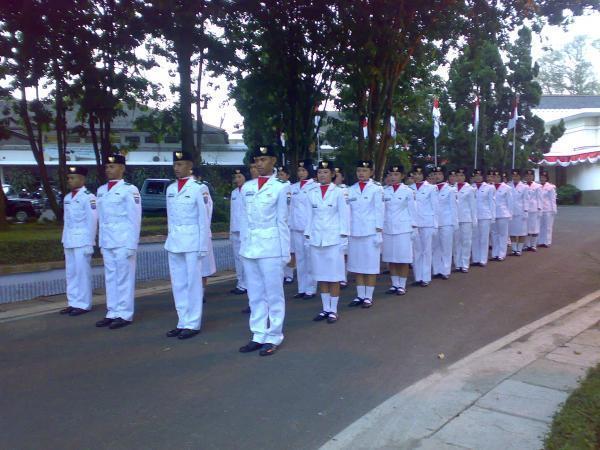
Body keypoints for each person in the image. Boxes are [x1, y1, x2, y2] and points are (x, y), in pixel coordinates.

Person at [238, 145, 291, 356]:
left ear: (273, 161)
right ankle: (258, 334)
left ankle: (274, 335)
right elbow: (243, 220)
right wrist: (243, 246)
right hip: (250, 247)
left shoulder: (281, 186)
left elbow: (283, 221)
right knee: (255, 294)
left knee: (273, 294)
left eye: (263, 159)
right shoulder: (248, 187)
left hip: (271, 247)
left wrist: (285, 253)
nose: (259, 164)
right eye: (257, 160)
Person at [164, 151, 209, 340]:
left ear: (190, 166)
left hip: (192, 242)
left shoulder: (199, 188)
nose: (177, 167)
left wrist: (203, 246)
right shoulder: (171, 189)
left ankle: (193, 323)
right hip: (175, 242)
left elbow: (204, 219)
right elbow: (170, 218)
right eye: (175, 164)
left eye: (181, 164)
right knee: (178, 284)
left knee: (192, 284)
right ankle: (182, 321)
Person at [95, 153, 142, 329]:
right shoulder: (101, 190)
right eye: (107, 167)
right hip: (107, 241)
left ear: (122, 168)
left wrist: (132, 244)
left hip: (123, 240)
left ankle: (124, 313)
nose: (108, 169)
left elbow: (134, 218)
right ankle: (112, 311)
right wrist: (100, 241)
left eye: (112, 166)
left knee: (124, 278)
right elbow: (101, 219)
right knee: (110, 278)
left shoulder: (129, 190)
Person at [304, 160, 349, 323]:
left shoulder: (338, 192)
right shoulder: (311, 192)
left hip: (333, 239)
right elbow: (309, 216)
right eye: (320, 172)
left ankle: (334, 310)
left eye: (326, 172)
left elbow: (344, 216)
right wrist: (307, 235)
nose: (322, 175)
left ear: (332, 174)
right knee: (321, 275)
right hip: (317, 239)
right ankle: (325, 308)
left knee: (334, 276)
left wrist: (344, 238)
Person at [60, 166, 97, 317]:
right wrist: (64, 239)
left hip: (82, 240)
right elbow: (66, 221)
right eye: (69, 178)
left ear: (82, 179)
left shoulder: (89, 197)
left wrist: (90, 242)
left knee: (82, 273)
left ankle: (83, 304)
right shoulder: (67, 198)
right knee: (71, 273)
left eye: (73, 177)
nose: (70, 180)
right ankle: (73, 302)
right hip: (69, 240)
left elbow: (92, 220)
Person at [347, 160, 384, 307]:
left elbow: (379, 211)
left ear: (371, 172)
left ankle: (368, 296)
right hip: (355, 232)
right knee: (357, 265)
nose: (361, 173)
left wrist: (378, 231)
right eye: (359, 170)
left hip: (370, 232)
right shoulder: (350, 189)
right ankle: (360, 295)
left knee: (370, 265)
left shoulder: (376, 189)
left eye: (364, 170)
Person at [382, 165, 416, 295]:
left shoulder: (408, 191)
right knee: (391, 258)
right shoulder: (384, 191)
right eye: (390, 175)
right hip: (388, 228)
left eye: (396, 175)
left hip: (403, 228)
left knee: (403, 258)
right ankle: (394, 284)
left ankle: (402, 284)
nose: (392, 177)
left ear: (402, 176)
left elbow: (413, 210)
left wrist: (414, 228)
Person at [289, 159, 317, 299]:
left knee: (310, 259)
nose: (301, 173)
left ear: (309, 171)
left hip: (309, 228)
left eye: (304, 170)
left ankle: (311, 288)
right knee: (300, 260)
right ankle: (302, 288)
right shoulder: (293, 187)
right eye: (299, 170)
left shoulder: (315, 187)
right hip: (296, 227)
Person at [410, 166, 438, 287]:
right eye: (415, 174)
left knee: (426, 250)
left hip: (427, 222)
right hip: (414, 223)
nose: (417, 176)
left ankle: (425, 277)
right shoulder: (409, 188)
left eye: (419, 174)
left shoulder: (432, 188)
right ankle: (418, 276)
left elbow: (435, 207)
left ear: (424, 175)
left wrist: (435, 225)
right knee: (416, 250)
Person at [430, 167, 458, 280]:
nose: (437, 176)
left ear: (444, 176)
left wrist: (454, 223)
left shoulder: (450, 190)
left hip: (446, 222)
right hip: (434, 222)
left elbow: (453, 207)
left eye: (440, 174)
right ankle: (436, 270)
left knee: (446, 247)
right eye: (435, 174)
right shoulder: (430, 189)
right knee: (435, 247)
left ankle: (445, 270)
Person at [453, 168, 477, 273]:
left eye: (462, 176)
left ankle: (465, 263)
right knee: (456, 242)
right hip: (455, 218)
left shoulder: (470, 189)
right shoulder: (451, 188)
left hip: (466, 218)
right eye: (457, 175)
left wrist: (474, 219)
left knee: (466, 241)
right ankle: (457, 263)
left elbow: (473, 206)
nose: (459, 178)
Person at [471, 169, 495, 267]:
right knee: (475, 237)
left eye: (480, 176)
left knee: (484, 238)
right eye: (476, 176)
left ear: (483, 177)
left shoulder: (489, 187)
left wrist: (493, 216)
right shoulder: (470, 187)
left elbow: (492, 203)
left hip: (485, 215)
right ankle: (476, 258)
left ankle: (483, 259)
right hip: (474, 215)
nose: (478, 177)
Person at [229, 168, 247, 295]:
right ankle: (240, 283)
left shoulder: (249, 191)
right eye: (236, 177)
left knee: (245, 258)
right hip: (235, 229)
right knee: (237, 258)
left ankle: (246, 284)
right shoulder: (234, 193)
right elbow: (232, 213)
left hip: (245, 230)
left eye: (240, 176)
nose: (237, 179)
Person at [277, 166, 295, 284]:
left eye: (282, 174)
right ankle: (282, 273)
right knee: (280, 250)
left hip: (289, 224)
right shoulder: (276, 187)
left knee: (289, 250)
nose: (280, 176)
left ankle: (289, 274)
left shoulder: (289, 187)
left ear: (287, 176)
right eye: (279, 174)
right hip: (280, 223)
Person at [490, 169, 512, 261]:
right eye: (494, 177)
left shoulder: (507, 188)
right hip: (493, 213)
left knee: (503, 234)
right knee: (494, 234)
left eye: (498, 177)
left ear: (501, 178)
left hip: (503, 214)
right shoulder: (489, 187)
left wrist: (510, 214)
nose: (496, 178)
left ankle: (501, 254)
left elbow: (510, 202)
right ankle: (495, 253)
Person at [334, 167, 350, 289]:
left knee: (343, 254)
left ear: (343, 178)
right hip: (332, 227)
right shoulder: (329, 190)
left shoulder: (347, 190)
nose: (335, 177)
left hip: (345, 226)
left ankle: (343, 277)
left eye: (338, 175)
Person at [508, 169, 529, 257]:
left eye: (517, 176)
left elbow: (526, 200)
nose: (515, 177)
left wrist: (526, 211)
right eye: (513, 176)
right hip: (511, 211)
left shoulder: (524, 187)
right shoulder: (508, 186)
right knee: (512, 231)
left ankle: (519, 250)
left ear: (520, 176)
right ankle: (514, 249)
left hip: (521, 211)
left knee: (521, 231)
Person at [523, 169, 542, 251]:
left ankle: (533, 245)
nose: (529, 177)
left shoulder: (538, 186)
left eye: (530, 176)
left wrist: (540, 209)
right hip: (525, 209)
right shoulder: (523, 186)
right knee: (526, 228)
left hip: (534, 209)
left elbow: (540, 199)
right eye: (527, 176)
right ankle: (527, 245)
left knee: (534, 227)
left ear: (533, 177)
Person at [538, 171, 557, 247]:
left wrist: (554, 209)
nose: (542, 179)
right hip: (540, 209)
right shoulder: (537, 186)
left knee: (548, 226)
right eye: (541, 177)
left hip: (548, 209)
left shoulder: (550, 187)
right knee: (540, 225)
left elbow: (553, 199)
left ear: (547, 178)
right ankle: (541, 241)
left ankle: (547, 241)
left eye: (544, 177)